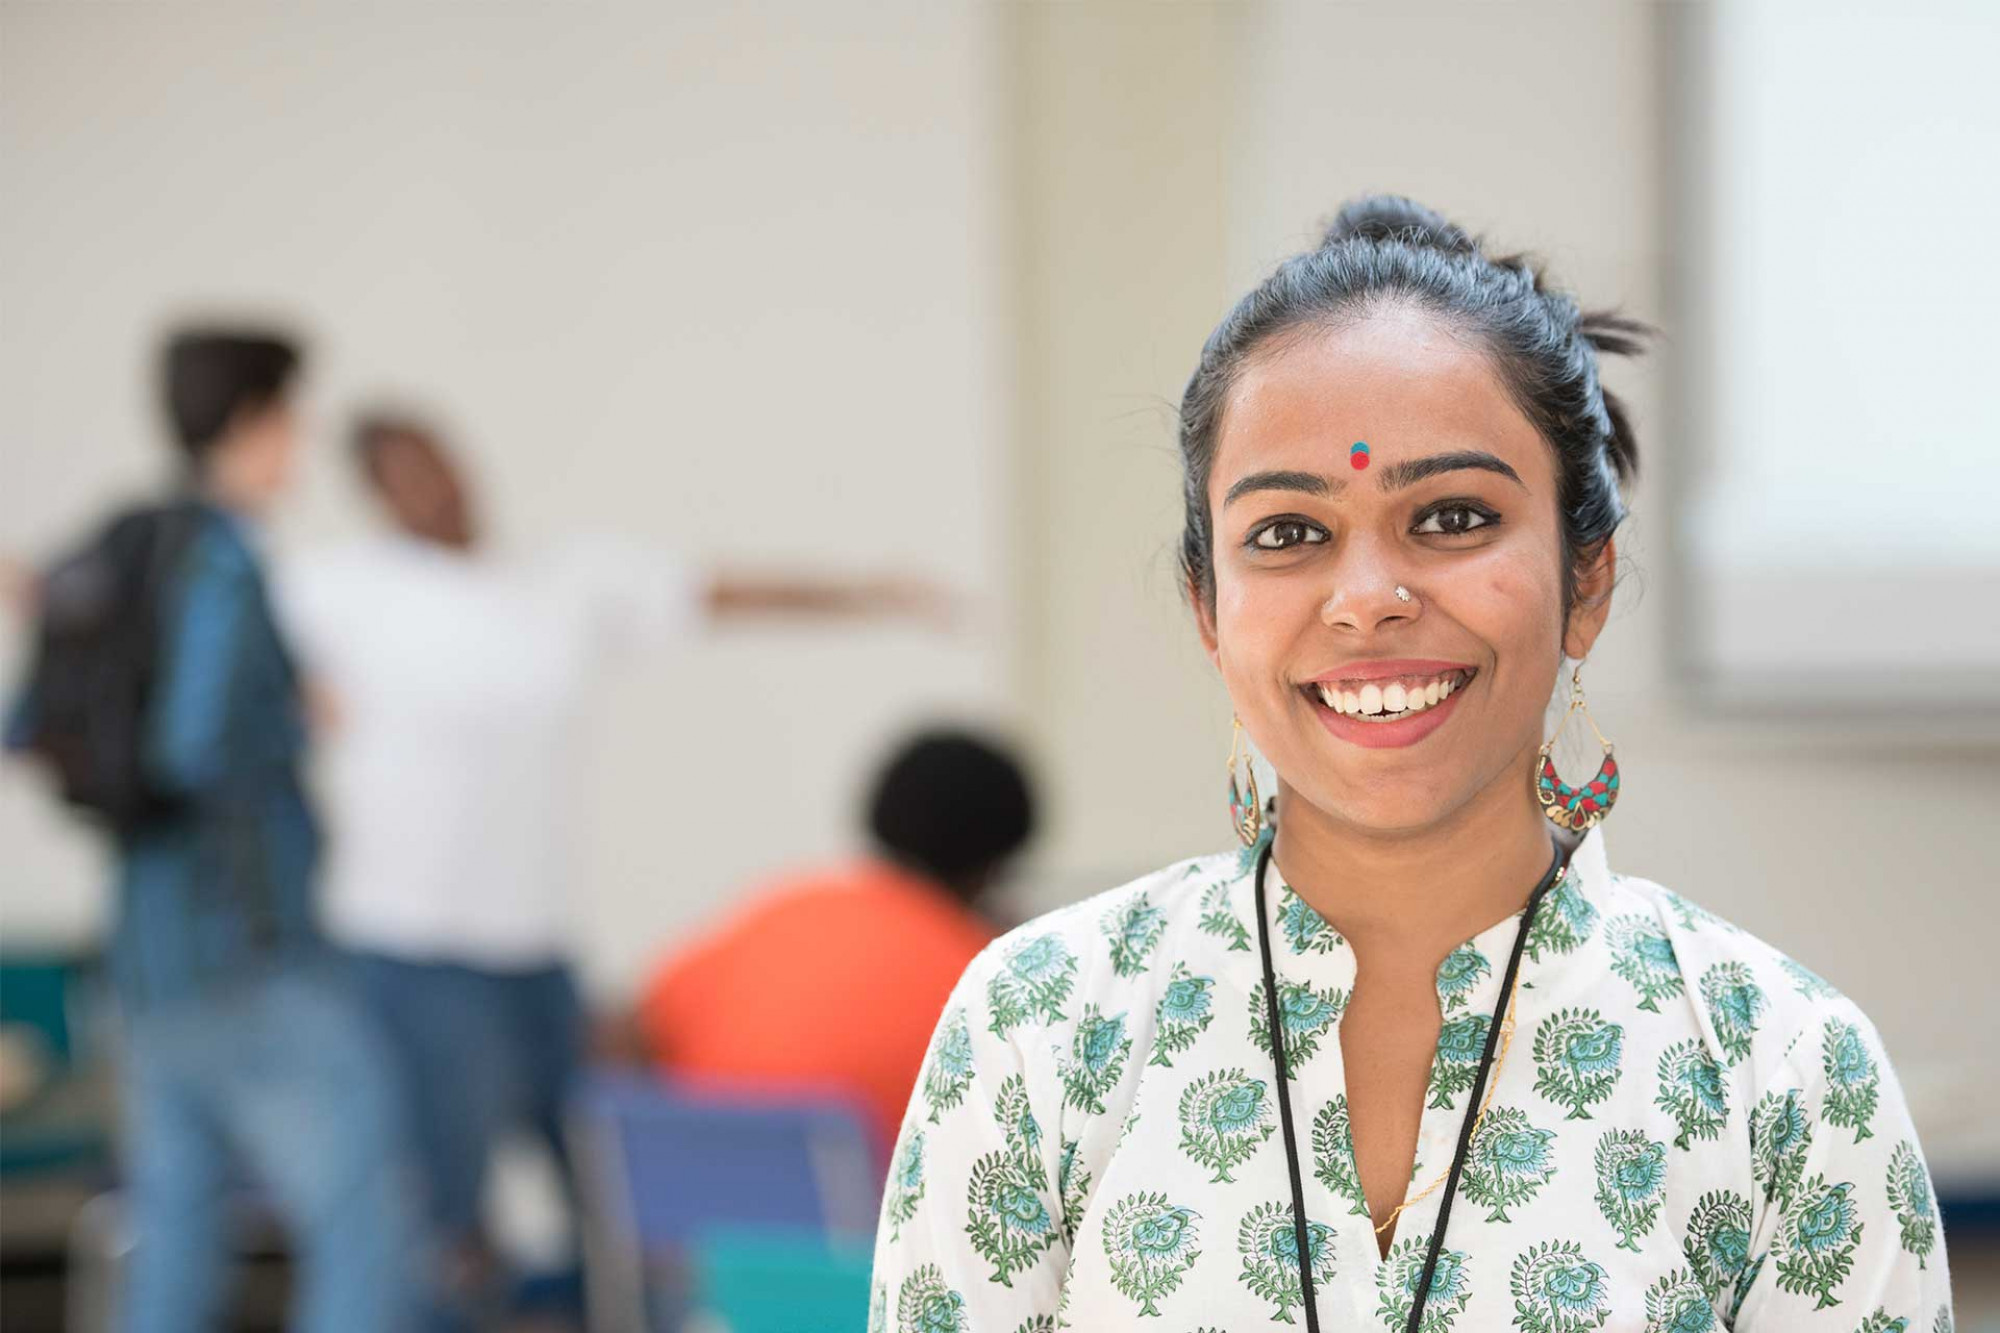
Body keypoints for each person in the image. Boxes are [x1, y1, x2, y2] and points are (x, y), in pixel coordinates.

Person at [867, 198, 1953, 1328]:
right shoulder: (1042, 1024)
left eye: (1449, 516)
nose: (1368, 600)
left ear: (1584, 579)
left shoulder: (1777, 1066)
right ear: (1208, 608)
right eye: (1288, 533)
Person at [272, 412, 956, 1329]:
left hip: (539, 957)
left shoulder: (561, 581)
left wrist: (875, 594)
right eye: (400, 474)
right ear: (374, 495)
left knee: (617, 1202)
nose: (431, 486)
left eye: (436, 460)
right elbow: (199, 650)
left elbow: (723, 592)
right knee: (442, 1218)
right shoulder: (340, 590)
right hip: (410, 954)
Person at [8, 329, 419, 1332]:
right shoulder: (224, 560)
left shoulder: (127, 545)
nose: (299, 445)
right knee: (369, 1218)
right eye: (291, 419)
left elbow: (30, 727)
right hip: (247, 950)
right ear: (253, 422)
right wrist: (291, 717)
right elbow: (195, 748)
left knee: (175, 1228)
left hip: (143, 958)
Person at [638, 728, 1033, 1153]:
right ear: (996, 867)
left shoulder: (783, 908)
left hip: (699, 1203)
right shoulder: (986, 978)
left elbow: (632, 1034)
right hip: (863, 1213)